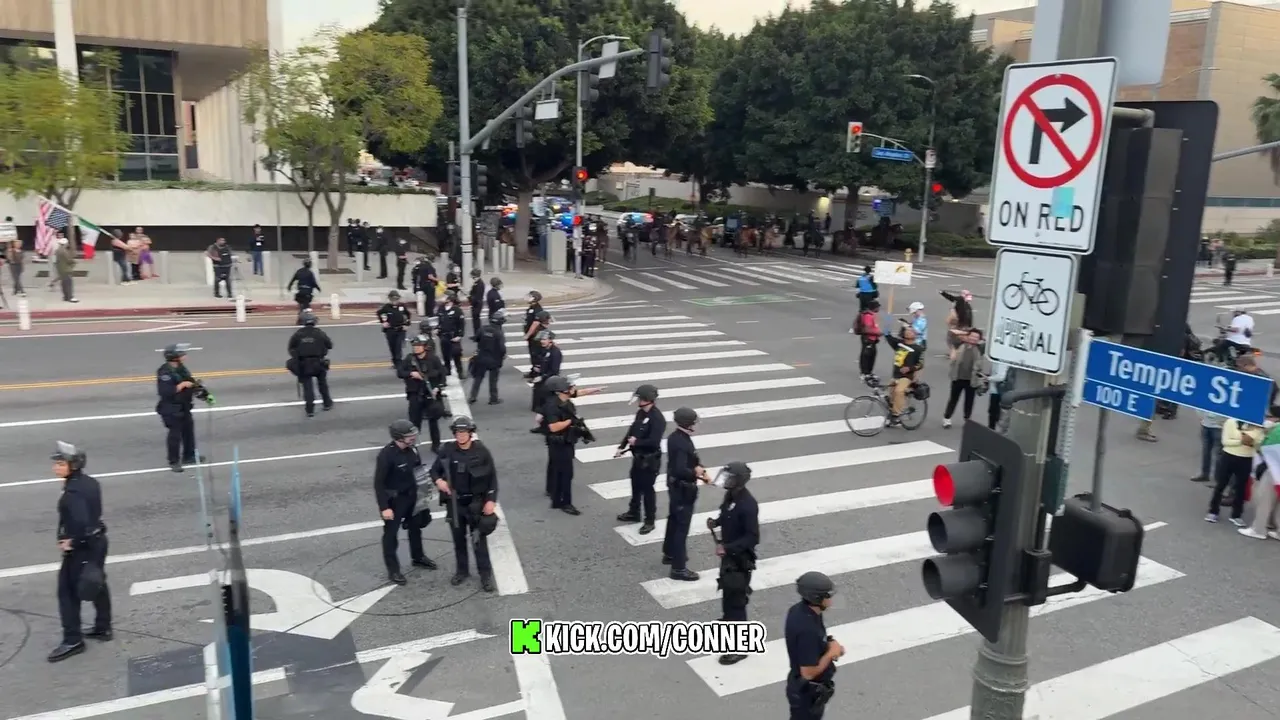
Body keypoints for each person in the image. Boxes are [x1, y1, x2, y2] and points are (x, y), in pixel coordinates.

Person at [48, 442, 112, 663]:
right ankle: (103, 627)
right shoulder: (89, 482)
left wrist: (71, 542)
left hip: (83, 548)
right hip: (98, 543)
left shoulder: (72, 493)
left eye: (60, 464)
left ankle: (72, 640)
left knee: (66, 592)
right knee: (96, 581)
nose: (55, 468)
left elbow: (83, 523)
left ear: (73, 465)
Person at [431, 416, 499, 592]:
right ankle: (462, 571)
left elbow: (492, 478)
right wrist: (439, 481)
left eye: (464, 432)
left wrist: (491, 500)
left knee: (478, 541)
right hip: (455, 504)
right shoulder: (447, 450)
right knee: (458, 539)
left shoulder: (481, 451)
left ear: (470, 433)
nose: (461, 435)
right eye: (458, 432)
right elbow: (434, 470)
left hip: (476, 503)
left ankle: (485, 576)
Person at [373, 420, 437, 585]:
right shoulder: (386, 455)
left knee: (415, 528)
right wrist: (384, 507)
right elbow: (379, 484)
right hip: (395, 501)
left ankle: (418, 557)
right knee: (391, 535)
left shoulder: (413, 450)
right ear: (399, 437)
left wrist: (423, 497)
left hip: (412, 497)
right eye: (410, 435)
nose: (413, 437)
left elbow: (418, 473)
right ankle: (393, 570)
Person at [707, 461, 759, 666]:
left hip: (740, 560)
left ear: (739, 481)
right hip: (729, 558)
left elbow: (753, 537)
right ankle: (729, 622)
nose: (725, 481)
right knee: (728, 595)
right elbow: (726, 513)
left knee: (736, 601)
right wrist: (717, 522)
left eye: (729, 478)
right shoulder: (731, 496)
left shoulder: (748, 505)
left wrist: (727, 548)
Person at [785, 572, 842, 719]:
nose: (831, 599)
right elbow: (808, 673)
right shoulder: (807, 630)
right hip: (807, 693)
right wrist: (831, 653)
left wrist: (829, 643)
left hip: (803, 688)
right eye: (827, 596)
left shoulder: (801, 611)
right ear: (816, 598)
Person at [664, 407, 710, 580]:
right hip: (683, 489)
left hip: (675, 486)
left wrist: (700, 468)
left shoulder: (676, 437)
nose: (696, 425)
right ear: (688, 424)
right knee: (681, 528)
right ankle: (678, 568)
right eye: (694, 422)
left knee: (673, 520)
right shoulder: (682, 443)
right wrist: (696, 473)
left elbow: (692, 459)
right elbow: (681, 469)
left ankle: (670, 552)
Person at [614, 384, 665, 534]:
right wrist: (622, 446)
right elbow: (632, 430)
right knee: (635, 485)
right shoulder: (641, 413)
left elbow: (654, 441)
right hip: (638, 458)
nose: (637, 401)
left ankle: (650, 520)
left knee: (647, 490)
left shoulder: (657, 418)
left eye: (640, 398)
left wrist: (637, 442)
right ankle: (634, 512)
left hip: (650, 460)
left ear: (647, 399)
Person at [156, 343, 205, 472]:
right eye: (181, 353)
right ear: (174, 357)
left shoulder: (181, 368)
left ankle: (189, 456)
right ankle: (174, 461)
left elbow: (191, 382)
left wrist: (204, 394)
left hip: (184, 406)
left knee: (188, 431)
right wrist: (182, 385)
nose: (184, 355)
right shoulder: (164, 372)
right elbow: (165, 392)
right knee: (175, 435)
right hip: (171, 409)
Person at [540, 375, 583, 515]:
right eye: (571, 387)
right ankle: (565, 502)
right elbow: (553, 427)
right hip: (559, 443)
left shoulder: (565, 402)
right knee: (566, 474)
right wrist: (571, 421)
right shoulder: (553, 405)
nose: (573, 388)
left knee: (557, 471)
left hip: (566, 441)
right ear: (563, 390)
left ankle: (556, 497)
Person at [398, 335, 447, 453]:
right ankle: (412, 446)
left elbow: (442, 374)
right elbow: (400, 372)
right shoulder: (410, 359)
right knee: (414, 422)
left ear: (425, 346)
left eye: (418, 345)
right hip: (415, 394)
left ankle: (436, 445)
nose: (416, 348)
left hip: (430, 394)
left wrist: (438, 388)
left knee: (433, 421)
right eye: (414, 346)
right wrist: (411, 374)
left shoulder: (433, 359)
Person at [287, 310, 333, 417]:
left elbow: (291, 348)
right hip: (319, 362)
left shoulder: (298, 334)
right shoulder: (319, 333)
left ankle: (310, 409)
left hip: (304, 363)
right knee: (322, 384)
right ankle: (327, 403)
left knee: (307, 387)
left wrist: (297, 356)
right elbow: (329, 345)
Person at [942, 328, 985, 429]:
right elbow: (951, 333)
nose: (974, 338)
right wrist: (966, 333)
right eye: (972, 336)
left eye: (976, 337)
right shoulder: (960, 344)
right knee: (953, 399)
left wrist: (982, 338)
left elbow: (990, 342)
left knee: (969, 401)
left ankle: (967, 419)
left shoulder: (980, 348)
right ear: (968, 336)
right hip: (957, 377)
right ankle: (947, 418)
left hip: (972, 379)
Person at [885, 324, 923, 426]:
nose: (908, 331)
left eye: (911, 330)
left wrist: (910, 369)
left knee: (899, 391)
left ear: (915, 335)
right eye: (907, 330)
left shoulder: (918, 349)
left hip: (907, 377)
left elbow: (920, 364)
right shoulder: (899, 344)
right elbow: (888, 337)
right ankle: (893, 411)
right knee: (890, 395)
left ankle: (896, 415)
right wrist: (886, 330)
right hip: (895, 375)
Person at [469, 309, 507, 405]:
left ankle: (473, 396)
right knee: (493, 380)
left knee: (478, 378)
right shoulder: (499, 333)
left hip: (481, 357)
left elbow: (476, 338)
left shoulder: (483, 329)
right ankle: (493, 399)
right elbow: (502, 348)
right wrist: (503, 355)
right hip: (494, 359)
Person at [377, 290, 413, 367]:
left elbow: (408, 315)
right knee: (392, 346)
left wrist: (407, 324)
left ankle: (399, 362)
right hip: (390, 330)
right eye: (393, 299)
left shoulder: (402, 306)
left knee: (398, 346)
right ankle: (395, 362)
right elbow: (379, 313)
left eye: (396, 299)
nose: (394, 301)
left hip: (400, 330)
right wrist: (383, 322)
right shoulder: (386, 307)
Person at [530, 330, 562, 413]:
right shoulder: (544, 349)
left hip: (549, 380)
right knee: (536, 404)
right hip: (541, 377)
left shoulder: (555, 352)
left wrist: (542, 377)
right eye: (541, 339)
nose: (542, 341)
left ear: (550, 340)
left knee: (545, 404)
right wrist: (536, 368)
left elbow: (554, 370)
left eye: (544, 339)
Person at [437, 291, 467, 378]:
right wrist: (437, 329)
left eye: (445, 296)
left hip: (454, 336)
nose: (443, 297)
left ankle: (460, 372)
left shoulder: (457, 310)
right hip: (443, 336)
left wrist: (459, 335)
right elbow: (438, 321)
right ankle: (447, 370)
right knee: (445, 355)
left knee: (456, 355)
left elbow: (462, 324)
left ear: (450, 298)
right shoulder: (441, 308)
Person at [853, 299, 881, 378]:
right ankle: (865, 373)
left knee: (871, 355)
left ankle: (868, 372)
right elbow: (867, 329)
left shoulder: (871, 315)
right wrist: (878, 333)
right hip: (868, 339)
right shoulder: (868, 316)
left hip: (872, 339)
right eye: (878, 307)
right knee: (867, 356)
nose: (879, 308)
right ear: (874, 307)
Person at [467, 268, 486, 340]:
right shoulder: (476, 283)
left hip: (477, 304)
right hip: (475, 304)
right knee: (475, 321)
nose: (472, 277)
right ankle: (476, 334)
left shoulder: (480, 284)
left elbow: (477, 296)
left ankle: (478, 335)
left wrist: (469, 297)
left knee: (476, 321)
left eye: (473, 276)